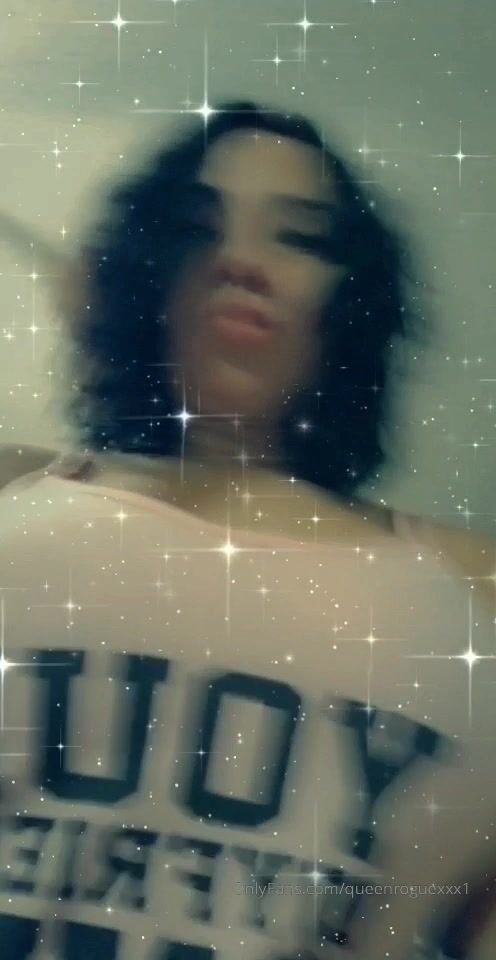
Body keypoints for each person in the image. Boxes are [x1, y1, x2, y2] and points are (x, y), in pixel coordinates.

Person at [0, 100, 495, 960]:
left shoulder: (455, 617)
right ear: (145, 275)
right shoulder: (21, 525)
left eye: (298, 236)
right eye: (197, 229)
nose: (239, 260)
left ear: (353, 296)